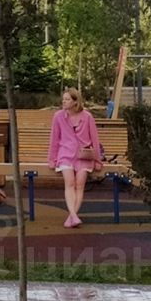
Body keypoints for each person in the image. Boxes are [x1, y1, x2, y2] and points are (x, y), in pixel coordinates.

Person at [48, 87, 103, 228]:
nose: (63, 101)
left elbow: (95, 139)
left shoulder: (87, 117)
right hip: (65, 154)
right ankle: (73, 215)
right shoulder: (58, 116)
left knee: (80, 184)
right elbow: (54, 139)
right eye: (63, 99)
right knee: (70, 183)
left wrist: (98, 160)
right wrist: (52, 159)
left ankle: (71, 217)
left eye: (67, 99)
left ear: (75, 102)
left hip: (84, 156)